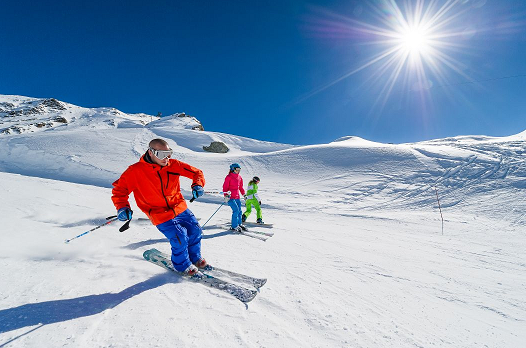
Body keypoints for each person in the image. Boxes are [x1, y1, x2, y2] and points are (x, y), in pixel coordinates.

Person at [111, 138, 206, 276]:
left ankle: (195, 258)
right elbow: (119, 191)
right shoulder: (135, 171)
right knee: (180, 237)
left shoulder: (174, 165)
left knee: (195, 231)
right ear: (150, 152)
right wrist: (122, 207)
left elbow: (197, 173)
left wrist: (198, 185)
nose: (167, 158)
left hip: (179, 207)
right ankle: (182, 265)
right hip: (158, 213)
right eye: (162, 154)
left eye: (169, 153)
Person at [223, 163, 247, 232]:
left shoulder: (239, 177)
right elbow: (225, 187)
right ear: (233, 169)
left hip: (237, 197)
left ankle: (239, 224)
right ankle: (234, 226)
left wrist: (244, 195)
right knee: (236, 210)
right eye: (237, 169)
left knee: (239, 211)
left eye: (239, 170)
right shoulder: (229, 177)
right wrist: (226, 195)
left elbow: (241, 188)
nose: (238, 171)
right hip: (230, 197)